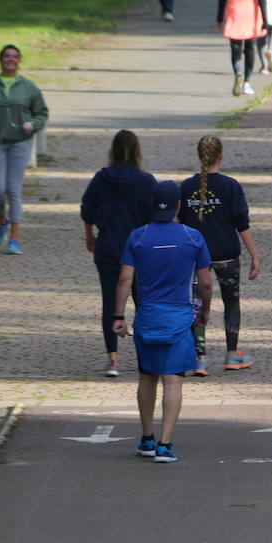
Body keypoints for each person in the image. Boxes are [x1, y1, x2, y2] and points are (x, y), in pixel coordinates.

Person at [113, 180, 215, 464]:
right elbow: (205, 282)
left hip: (147, 316)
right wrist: (204, 312)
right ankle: (165, 444)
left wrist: (119, 316)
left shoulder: (138, 237)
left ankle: (147, 437)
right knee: (173, 380)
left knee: (147, 376)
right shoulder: (193, 237)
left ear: (151, 204)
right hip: (180, 318)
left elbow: (124, 279)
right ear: (178, 206)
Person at [180, 135, 260, 376]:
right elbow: (242, 224)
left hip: (194, 259)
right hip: (226, 255)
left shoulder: (185, 187)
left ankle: (200, 359)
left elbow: (179, 222)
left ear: (199, 157)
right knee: (231, 303)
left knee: (196, 305)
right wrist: (254, 255)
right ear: (221, 157)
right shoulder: (230, 186)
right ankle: (232, 355)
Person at [81, 130, 158, 378]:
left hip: (108, 248)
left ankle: (113, 360)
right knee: (142, 302)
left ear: (112, 151)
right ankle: (145, 356)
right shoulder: (146, 181)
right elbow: (156, 216)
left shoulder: (101, 179)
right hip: (140, 251)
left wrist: (90, 235)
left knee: (109, 303)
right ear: (137, 151)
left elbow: (87, 210)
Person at [0, 45, 49, 255]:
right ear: (0, 60)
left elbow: (42, 113)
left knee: (14, 190)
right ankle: (2, 221)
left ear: (19, 60)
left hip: (21, 144)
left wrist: (34, 124)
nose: (10, 60)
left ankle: (14, 239)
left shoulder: (29, 87)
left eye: (14, 57)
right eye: (7, 56)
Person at [217, 0, 265, 97]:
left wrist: (219, 17)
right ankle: (247, 82)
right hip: (250, 9)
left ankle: (238, 72)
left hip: (234, 8)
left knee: (235, 47)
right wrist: (265, 19)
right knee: (250, 47)